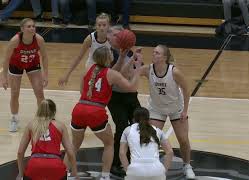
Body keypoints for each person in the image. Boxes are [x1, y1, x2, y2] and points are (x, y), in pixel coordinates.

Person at [67, 46, 141, 180]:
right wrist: (138, 71)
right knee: (109, 143)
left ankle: (64, 172)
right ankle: (105, 176)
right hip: (96, 111)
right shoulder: (111, 74)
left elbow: (81, 90)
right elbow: (131, 87)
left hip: (79, 108)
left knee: (74, 144)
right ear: (109, 58)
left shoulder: (88, 70)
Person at [128, 44, 196, 179]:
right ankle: (153, 165)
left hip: (176, 108)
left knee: (183, 139)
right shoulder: (148, 69)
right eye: (153, 52)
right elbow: (131, 74)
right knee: (152, 138)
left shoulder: (174, 72)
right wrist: (135, 61)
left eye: (157, 53)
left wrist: (185, 110)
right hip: (156, 109)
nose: (154, 54)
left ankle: (187, 165)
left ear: (165, 57)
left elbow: (186, 89)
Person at [1, 18, 49, 132]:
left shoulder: (39, 39)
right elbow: (6, 58)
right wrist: (3, 77)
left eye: (33, 26)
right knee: (14, 93)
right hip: (16, 65)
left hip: (32, 64)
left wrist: (45, 74)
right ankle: (14, 118)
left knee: (39, 92)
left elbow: (45, 57)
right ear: (22, 29)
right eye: (29, 26)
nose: (32, 28)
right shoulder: (15, 40)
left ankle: (42, 119)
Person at [107, 25, 141, 176]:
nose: (117, 37)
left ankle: (136, 158)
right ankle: (115, 163)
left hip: (130, 95)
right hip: (115, 97)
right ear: (109, 37)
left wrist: (135, 63)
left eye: (119, 35)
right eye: (115, 35)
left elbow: (131, 74)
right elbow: (114, 76)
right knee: (121, 127)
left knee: (139, 125)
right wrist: (125, 58)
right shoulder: (106, 53)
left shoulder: (129, 52)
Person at [16, 99, 79, 180]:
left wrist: (21, 174)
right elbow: (70, 152)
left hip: (35, 165)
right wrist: (75, 172)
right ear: (54, 111)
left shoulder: (31, 125)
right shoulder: (61, 126)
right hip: (55, 166)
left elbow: (20, 152)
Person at [58, 13, 112, 86]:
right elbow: (79, 57)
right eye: (99, 25)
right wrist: (67, 74)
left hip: (106, 67)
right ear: (96, 26)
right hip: (91, 66)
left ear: (108, 26)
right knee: (85, 90)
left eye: (104, 25)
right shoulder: (90, 38)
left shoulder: (112, 39)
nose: (101, 28)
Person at [119, 107, 173, 180]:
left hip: (135, 171)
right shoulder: (158, 131)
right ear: (149, 119)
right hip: (156, 171)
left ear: (133, 119)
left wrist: (128, 171)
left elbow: (122, 153)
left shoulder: (127, 130)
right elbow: (169, 152)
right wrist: (163, 171)